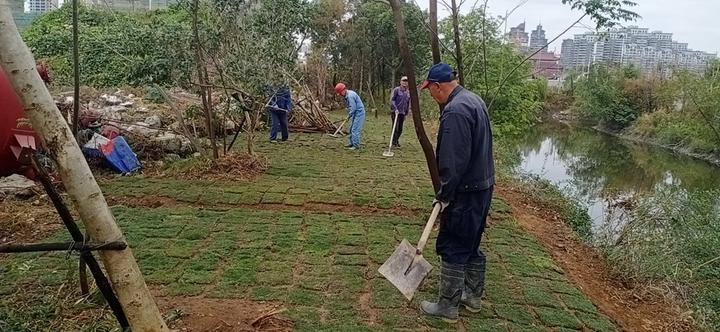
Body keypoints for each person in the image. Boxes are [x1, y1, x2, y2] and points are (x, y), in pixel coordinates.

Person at [418, 62, 495, 323]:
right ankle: (472, 297)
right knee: (471, 243)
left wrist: (445, 194)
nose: (431, 94)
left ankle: (447, 306)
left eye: (430, 89)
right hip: (483, 187)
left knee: (452, 245)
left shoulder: (455, 111)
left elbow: (453, 160)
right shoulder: (474, 101)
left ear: (438, 86)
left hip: (465, 191)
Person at [334, 83, 365, 150]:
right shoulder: (347, 95)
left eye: (340, 93)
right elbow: (351, 107)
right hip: (355, 113)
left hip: (359, 113)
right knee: (351, 128)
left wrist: (349, 115)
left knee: (355, 129)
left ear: (343, 90)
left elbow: (353, 108)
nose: (340, 95)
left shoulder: (350, 96)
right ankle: (351, 143)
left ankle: (356, 145)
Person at [389, 76, 411, 147]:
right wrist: (395, 108)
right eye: (403, 81)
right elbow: (392, 100)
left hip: (402, 113)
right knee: (396, 127)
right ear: (400, 82)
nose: (405, 82)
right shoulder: (396, 90)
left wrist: (407, 112)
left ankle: (396, 140)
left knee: (400, 129)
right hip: (395, 112)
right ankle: (393, 142)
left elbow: (407, 103)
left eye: (406, 81)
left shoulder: (408, 92)